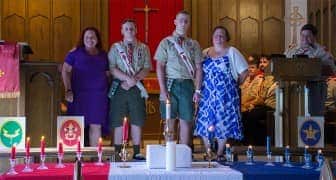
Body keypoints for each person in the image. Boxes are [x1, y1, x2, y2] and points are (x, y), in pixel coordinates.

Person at [195, 25, 248, 160]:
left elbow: (244, 72)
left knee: (223, 122)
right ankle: (208, 152)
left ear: (226, 38)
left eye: (222, 35)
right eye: (216, 35)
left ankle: (219, 153)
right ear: (212, 38)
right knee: (205, 121)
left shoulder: (232, 51)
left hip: (227, 95)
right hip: (207, 94)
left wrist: (234, 85)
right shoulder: (205, 52)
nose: (218, 38)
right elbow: (199, 71)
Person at [154, 10, 203, 146]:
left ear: (189, 24)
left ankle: (184, 153)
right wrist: (163, 90)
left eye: (186, 21)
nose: (183, 23)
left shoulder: (194, 45)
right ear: (175, 22)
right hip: (171, 83)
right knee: (169, 119)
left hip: (187, 84)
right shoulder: (166, 43)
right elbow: (160, 66)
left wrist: (198, 90)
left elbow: (199, 68)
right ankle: (170, 152)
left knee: (186, 120)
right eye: (180, 20)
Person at [108, 19, 151, 160]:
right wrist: (127, 79)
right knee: (118, 119)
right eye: (126, 29)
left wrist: (134, 80)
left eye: (131, 29)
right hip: (120, 87)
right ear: (121, 31)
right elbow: (112, 68)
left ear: (136, 30)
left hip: (136, 87)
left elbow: (146, 68)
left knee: (137, 119)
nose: (129, 31)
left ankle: (137, 151)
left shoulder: (144, 48)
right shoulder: (115, 48)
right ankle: (117, 152)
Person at [62, 27, 109, 147]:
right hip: (79, 95)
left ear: (97, 39)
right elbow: (65, 70)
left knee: (96, 125)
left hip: (98, 97)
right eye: (87, 37)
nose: (90, 39)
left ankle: (95, 158)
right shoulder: (75, 53)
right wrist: (68, 89)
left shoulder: (104, 55)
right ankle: (79, 158)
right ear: (82, 39)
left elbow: (108, 74)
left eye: (93, 37)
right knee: (77, 126)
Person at [285, 24, 336, 115]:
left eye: (308, 36)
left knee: (314, 116)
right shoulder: (293, 50)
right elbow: (283, 63)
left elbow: (332, 69)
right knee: (296, 116)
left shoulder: (321, 51)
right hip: (295, 88)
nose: (304, 38)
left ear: (314, 37)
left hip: (315, 87)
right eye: (302, 35)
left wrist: (313, 60)